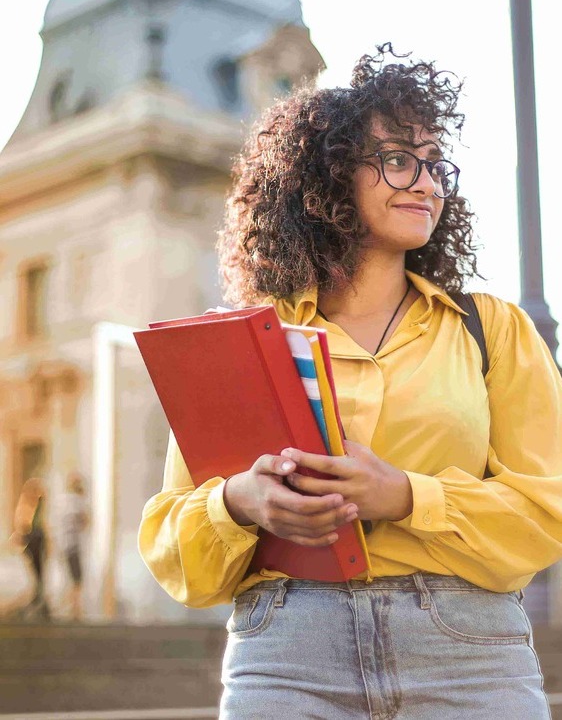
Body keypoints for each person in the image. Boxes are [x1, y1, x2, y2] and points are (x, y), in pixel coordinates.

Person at [138, 44, 562, 719]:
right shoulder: (246, 339)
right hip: (286, 653)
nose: (427, 183)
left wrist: (404, 496)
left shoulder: (493, 330)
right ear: (329, 177)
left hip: (468, 654)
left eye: (434, 164)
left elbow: (546, 513)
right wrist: (242, 503)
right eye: (398, 159)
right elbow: (174, 548)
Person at [11, 477, 51, 621]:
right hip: (31, 540)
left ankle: (41, 602)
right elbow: (22, 525)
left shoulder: (38, 506)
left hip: (37, 540)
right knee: (36, 573)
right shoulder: (27, 505)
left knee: (39, 573)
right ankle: (38, 601)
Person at [57, 472, 89, 621]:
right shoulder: (77, 501)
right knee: (77, 577)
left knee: (71, 576)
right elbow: (84, 520)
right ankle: (75, 608)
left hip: (64, 543)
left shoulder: (63, 500)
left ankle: (72, 606)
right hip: (74, 544)